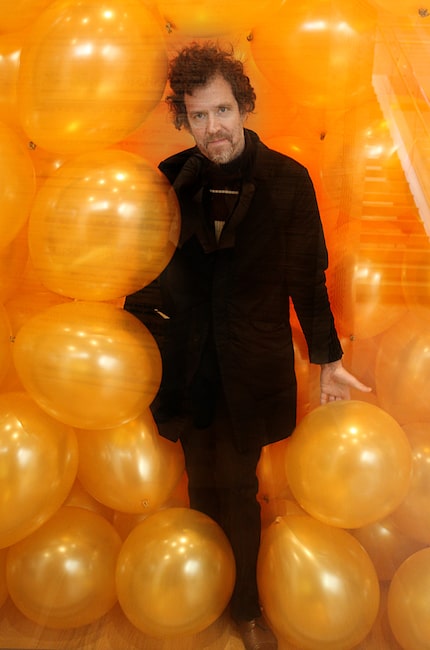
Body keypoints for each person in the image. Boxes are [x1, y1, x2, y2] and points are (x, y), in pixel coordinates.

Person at [125, 42, 371, 650]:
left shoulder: (289, 181)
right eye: (200, 115)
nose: (215, 128)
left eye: (224, 111)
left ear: (244, 106)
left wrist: (328, 358)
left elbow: (305, 280)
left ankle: (245, 608)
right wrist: (133, 354)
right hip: (186, 370)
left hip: (250, 369)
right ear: (185, 117)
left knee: (236, 485)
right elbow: (144, 276)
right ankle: (207, 594)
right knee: (198, 482)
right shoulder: (169, 179)